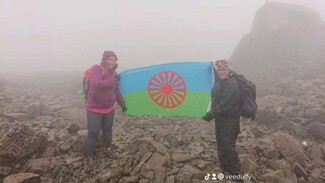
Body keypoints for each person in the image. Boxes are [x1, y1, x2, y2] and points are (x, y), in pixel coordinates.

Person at [84, 50, 127, 172]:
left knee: (107, 130)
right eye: (110, 59)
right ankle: (88, 157)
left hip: (109, 108)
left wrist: (122, 104)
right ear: (104, 59)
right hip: (94, 108)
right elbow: (96, 83)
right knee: (93, 133)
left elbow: (116, 91)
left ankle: (108, 148)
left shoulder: (114, 73)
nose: (112, 62)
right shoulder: (96, 68)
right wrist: (114, 79)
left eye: (114, 60)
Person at [202, 60, 242, 178]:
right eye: (219, 70)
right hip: (220, 118)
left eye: (224, 69)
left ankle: (235, 173)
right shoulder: (222, 80)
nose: (222, 72)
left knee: (228, 145)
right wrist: (211, 68)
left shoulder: (232, 84)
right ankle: (225, 166)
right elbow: (216, 76)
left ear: (228, 70)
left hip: (230, 120)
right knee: (220, 142)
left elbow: (225, 105)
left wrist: (210, 114)